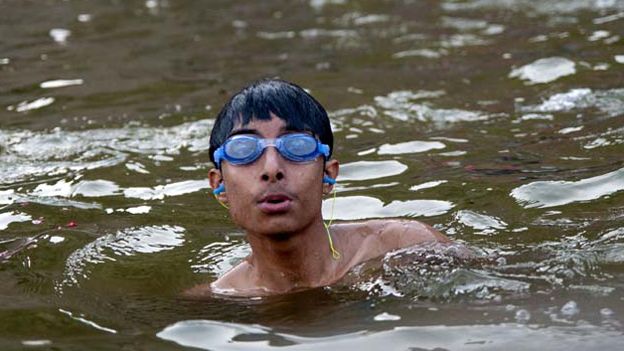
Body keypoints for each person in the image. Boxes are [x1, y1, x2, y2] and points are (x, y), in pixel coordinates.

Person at [186, 79, 450, 297]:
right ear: (219, 185)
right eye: (244, 150)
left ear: (327, 176)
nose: (271, 168)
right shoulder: (219, 298)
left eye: (297, 147)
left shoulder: (407, 246)